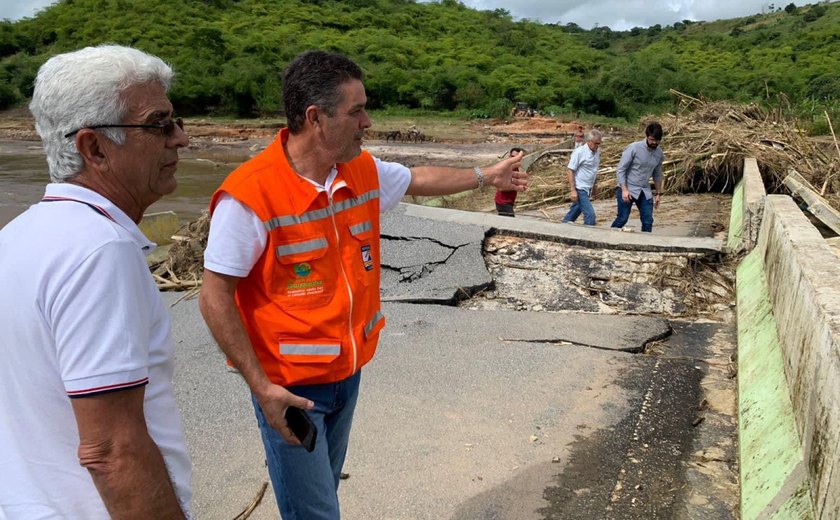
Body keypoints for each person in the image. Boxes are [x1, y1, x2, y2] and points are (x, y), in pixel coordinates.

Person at [198, 50, 528, 519]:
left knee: (324, 492)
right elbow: (214, 299)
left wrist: (485, 176)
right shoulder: (251, 195)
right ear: (316, 118)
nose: (368, 122)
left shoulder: (359, 170)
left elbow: (419, 178)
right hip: (291, 390)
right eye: (356, 111)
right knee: (316, 513)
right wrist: (261, 387)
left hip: (347, 375)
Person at [0, 45, 192, 518]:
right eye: (159, 124)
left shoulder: (19, 235)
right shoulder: (100, 251)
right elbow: (112, 451)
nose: (181, 138)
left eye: (176, 120)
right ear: (95, 148)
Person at [610, 122, 664, 233]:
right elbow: (621, 169)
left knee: (648, 220)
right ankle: (608, 237)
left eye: (657, 141)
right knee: (622, 218)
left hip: (644, 189)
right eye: (652, 140)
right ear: (647, 136)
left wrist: (658, 194)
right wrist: (624, 190)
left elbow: (657, 174)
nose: (654, 143)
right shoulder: (634, 148)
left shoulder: (659, 153)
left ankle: (645, 243)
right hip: (628, 187)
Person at [563, 129, 602, 225]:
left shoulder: (597, 152)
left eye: (599, 144)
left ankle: (561, 230)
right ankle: (587, 236)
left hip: (588, 188)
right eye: (596, 143)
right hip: (580, 188)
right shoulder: (579, 152)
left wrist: (594, 186)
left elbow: (593, 170)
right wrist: (573, 190)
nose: (597, 146)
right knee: (590, 215)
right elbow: (570, 170)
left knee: (573, 214)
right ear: (589, 141)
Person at [495, 146, 526, 216]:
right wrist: (516, 187)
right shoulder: (506, 168)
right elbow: (501, 188)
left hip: (508, 201)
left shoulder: (515, 168)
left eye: (516, 158)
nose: (514, 159)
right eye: (512, 157)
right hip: (503, 202)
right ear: (509, 156)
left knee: (503, 223)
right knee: (511, 224)